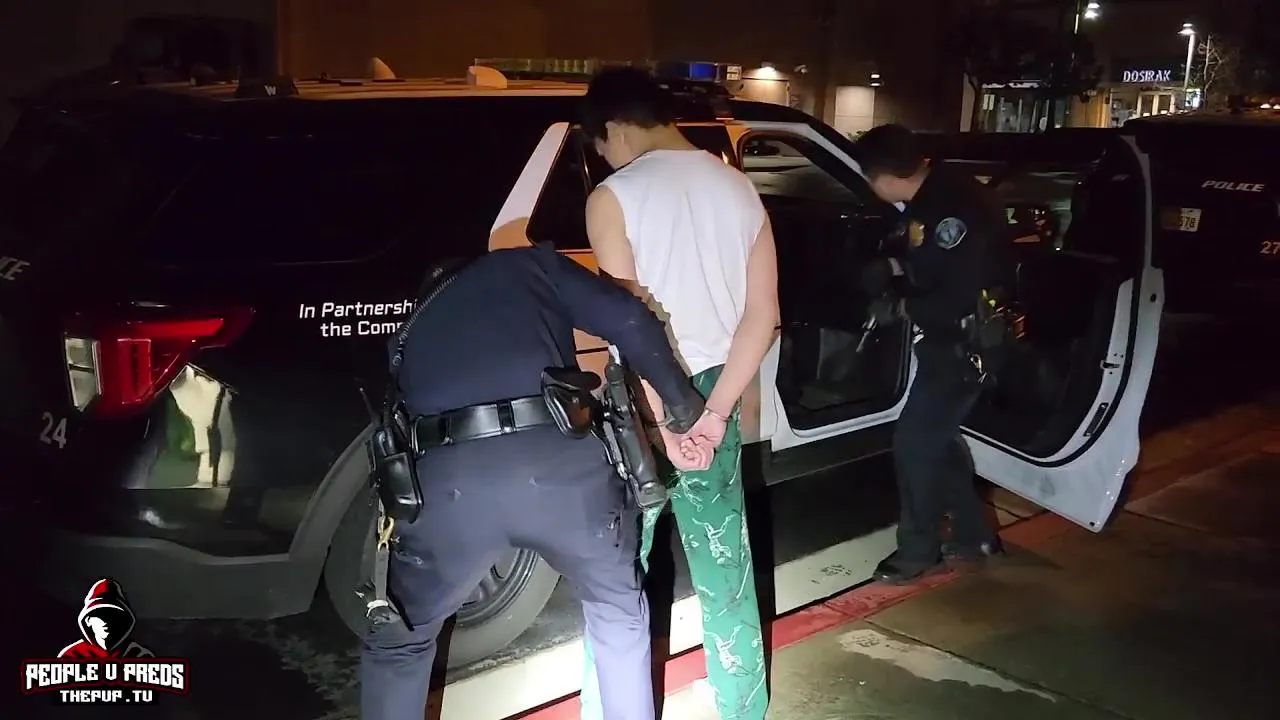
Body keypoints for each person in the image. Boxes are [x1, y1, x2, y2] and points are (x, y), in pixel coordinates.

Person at [359, 244, 712, 720]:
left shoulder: (410, 331)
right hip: (562, 468)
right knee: (616, 611)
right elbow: (629, 319)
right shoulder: (529, 266)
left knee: (400, 642)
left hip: (450, 488)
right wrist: (683, 407)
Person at [579, 66, 779, 720]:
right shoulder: (739, 188)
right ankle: (743, 709)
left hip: (642, 399)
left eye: (602, 145)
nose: (607, 158)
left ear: (614, 128)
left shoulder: (613, 197)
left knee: (617, 572)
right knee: (725, 565)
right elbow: (762, 317)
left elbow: (630, 324)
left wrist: (664, 420)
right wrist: (713, 414)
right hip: (716, 386)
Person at [853, 123, 1008, 584]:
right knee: (937, 439)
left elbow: (958, 294)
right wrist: (893, 266)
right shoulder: (939, 194)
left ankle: (918, 551)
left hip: (964, 345)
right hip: (954, 341)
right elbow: (932, 262)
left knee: (915, 444)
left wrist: (902, 306)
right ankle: (975, 535)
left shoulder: (950, 211)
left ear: (883, 178)